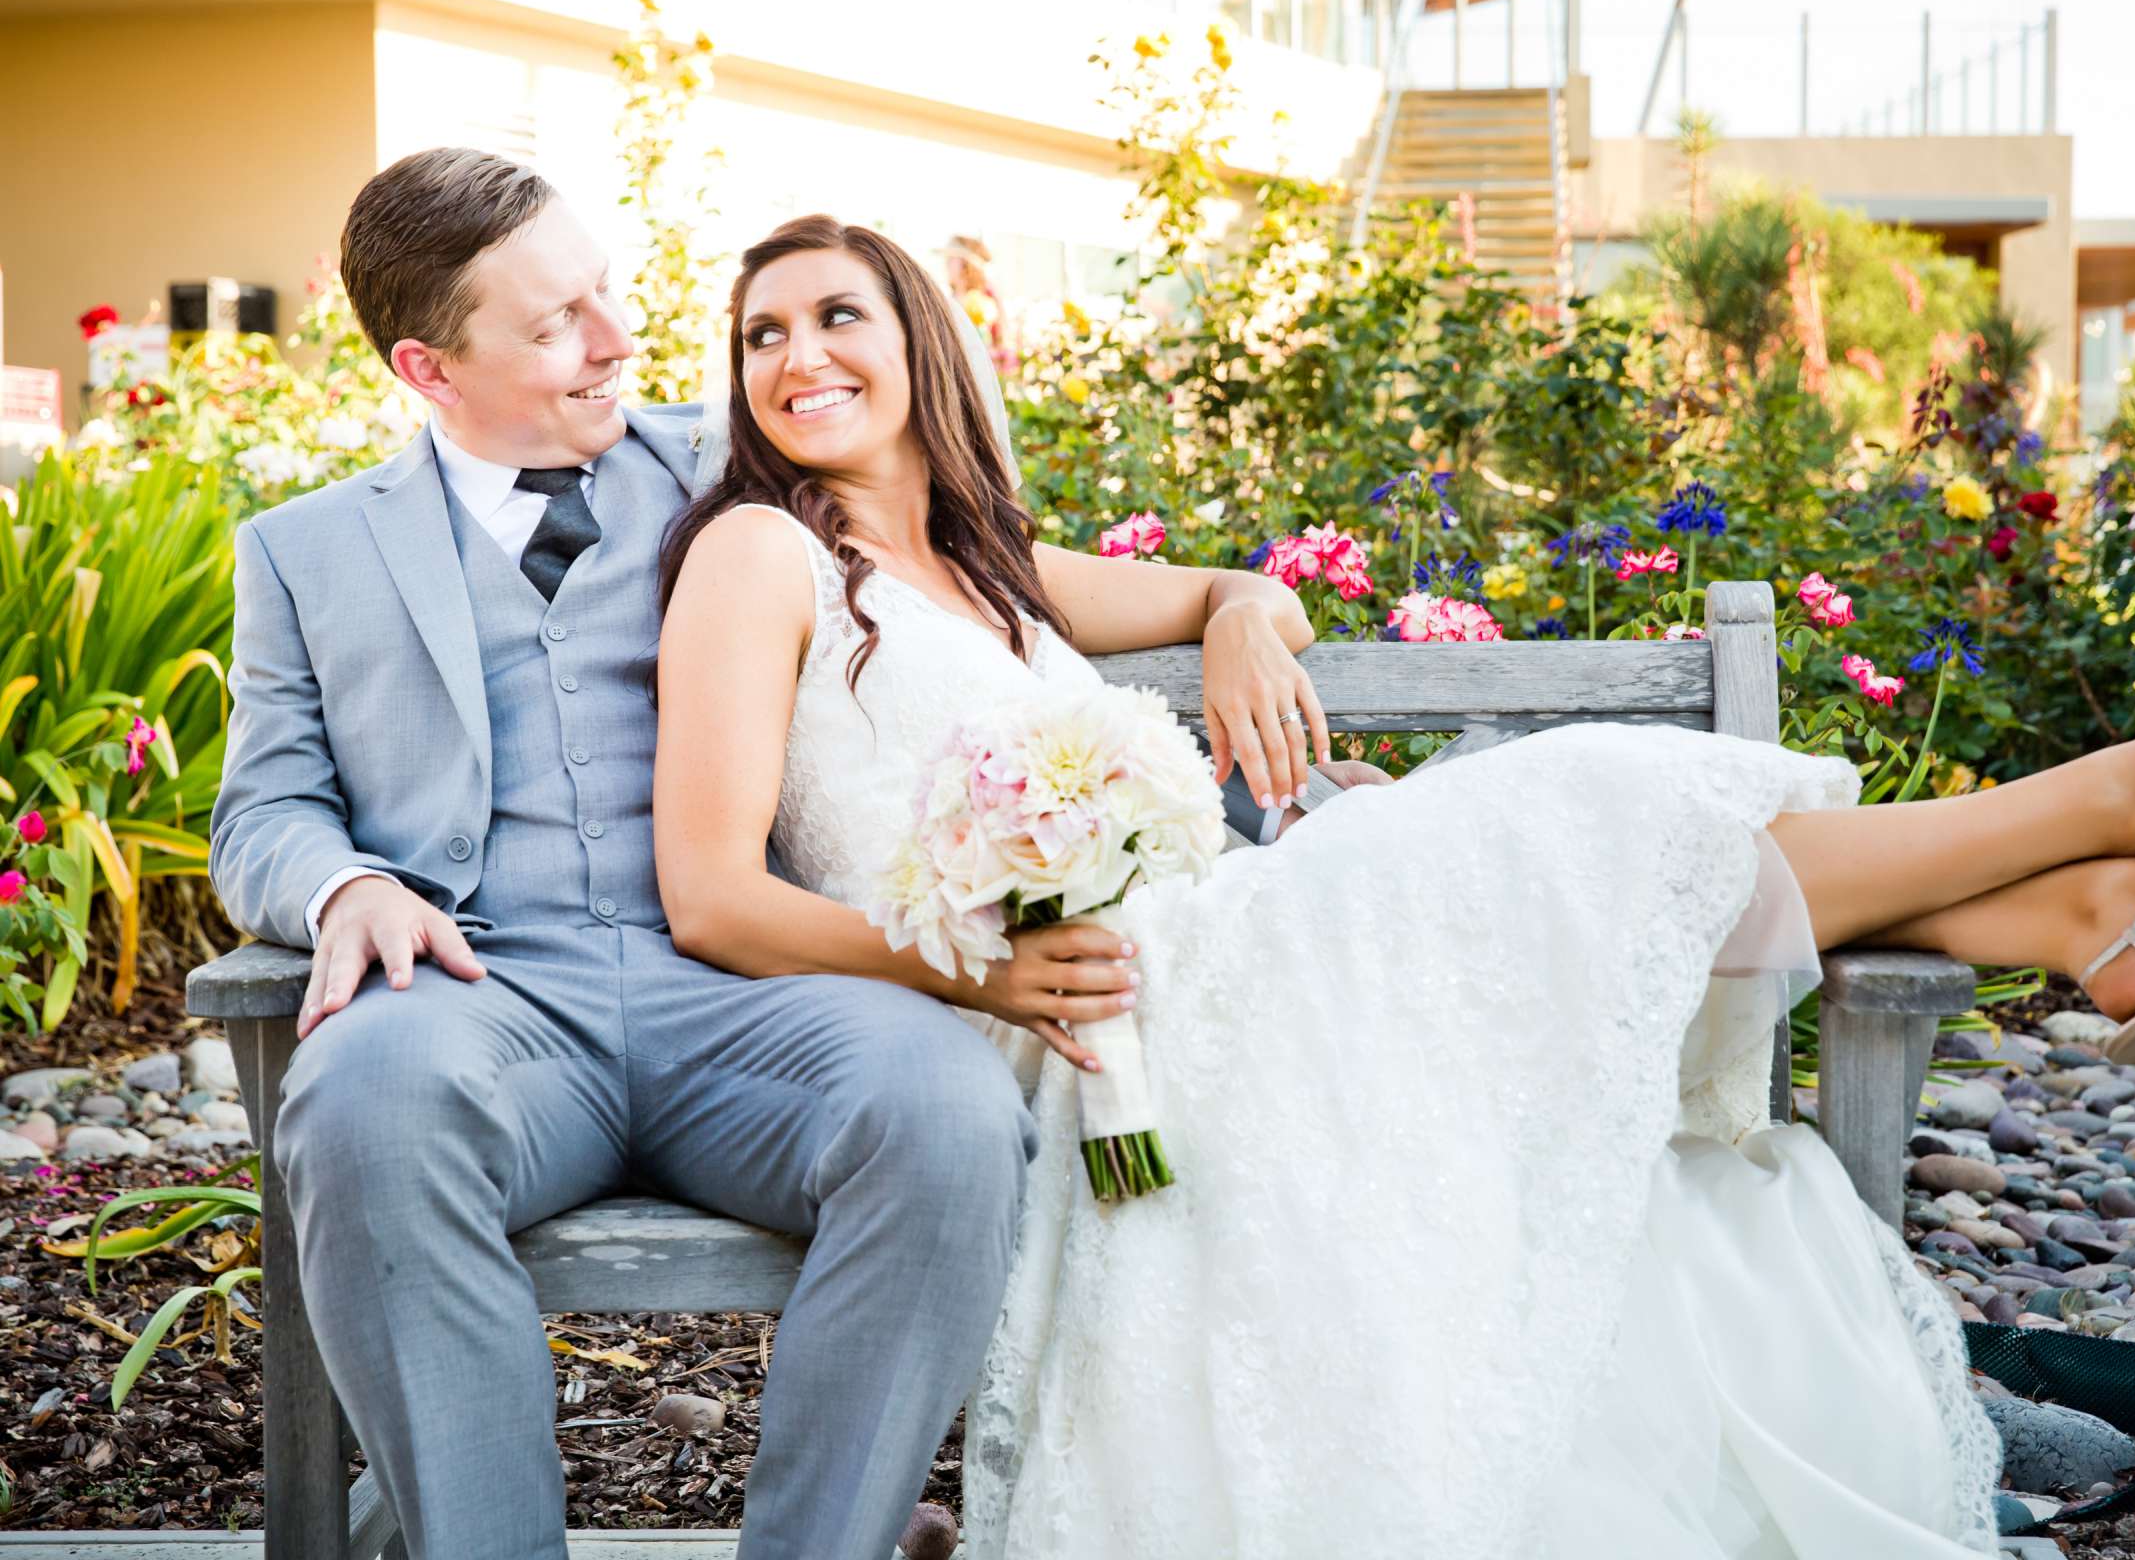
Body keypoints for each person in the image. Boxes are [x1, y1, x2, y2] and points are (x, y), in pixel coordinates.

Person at [651, 213, 2135, 1559]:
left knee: (1567, 835)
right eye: (760, 335)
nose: (796, 354)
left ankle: (2098, 907)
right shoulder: (758, 553)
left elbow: (1211, 591)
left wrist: (1250, 610)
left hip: (1201, 967)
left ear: (915, 343)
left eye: (834, 315)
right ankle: (2110, 836)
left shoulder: (982, 561)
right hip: (1087, 1013)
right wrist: (973, 974)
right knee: (1567, 809)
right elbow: (713, 891)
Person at [209, 151, 1346, 1560]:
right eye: (559, 322)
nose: (618, 340)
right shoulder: (307, 552)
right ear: (428, 369)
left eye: (609, 296)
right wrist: (346, 882)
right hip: (484, 1000)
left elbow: (986, 581)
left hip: (747, 995)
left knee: (944, 1114)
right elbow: (261, 811)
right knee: (358, 1102)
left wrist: (1239, 602)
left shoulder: (745, 468)